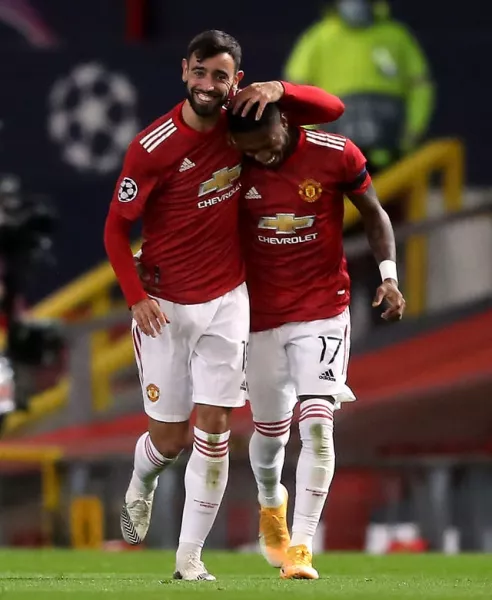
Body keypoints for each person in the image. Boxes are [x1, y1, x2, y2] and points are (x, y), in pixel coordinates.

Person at [104, 29, 345, 581]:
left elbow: (332, 110)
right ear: (184, 70)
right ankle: (141, 480)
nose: (209, 85)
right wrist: (136, 298)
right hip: (164, 306)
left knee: (213, 433)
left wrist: (278, 89)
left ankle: (189, 560)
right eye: (200, 72)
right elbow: (116, 232)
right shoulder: (152, 146)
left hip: (227, 301)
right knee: (170, 439)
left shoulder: (244, 121)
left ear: (235, 80)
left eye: (221, 76)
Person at [226, 102, 405, 579]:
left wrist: (388, 276)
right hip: (257, 317)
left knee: (319, 426)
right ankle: (271, 506)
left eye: (268, 146)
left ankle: (302, 547)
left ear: (283, 121)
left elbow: (374, 212)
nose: (262, 158)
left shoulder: (335, 153)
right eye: (251, 152)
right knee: (269, 439)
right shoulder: (229, 163)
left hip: (322, 310)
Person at [284, 0, 434, 173]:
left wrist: (413, 130)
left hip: (392, 152)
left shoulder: (397, 36)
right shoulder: (318, 38)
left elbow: (420, 87)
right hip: (335, 155)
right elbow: (296, 92)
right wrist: (309, 139)